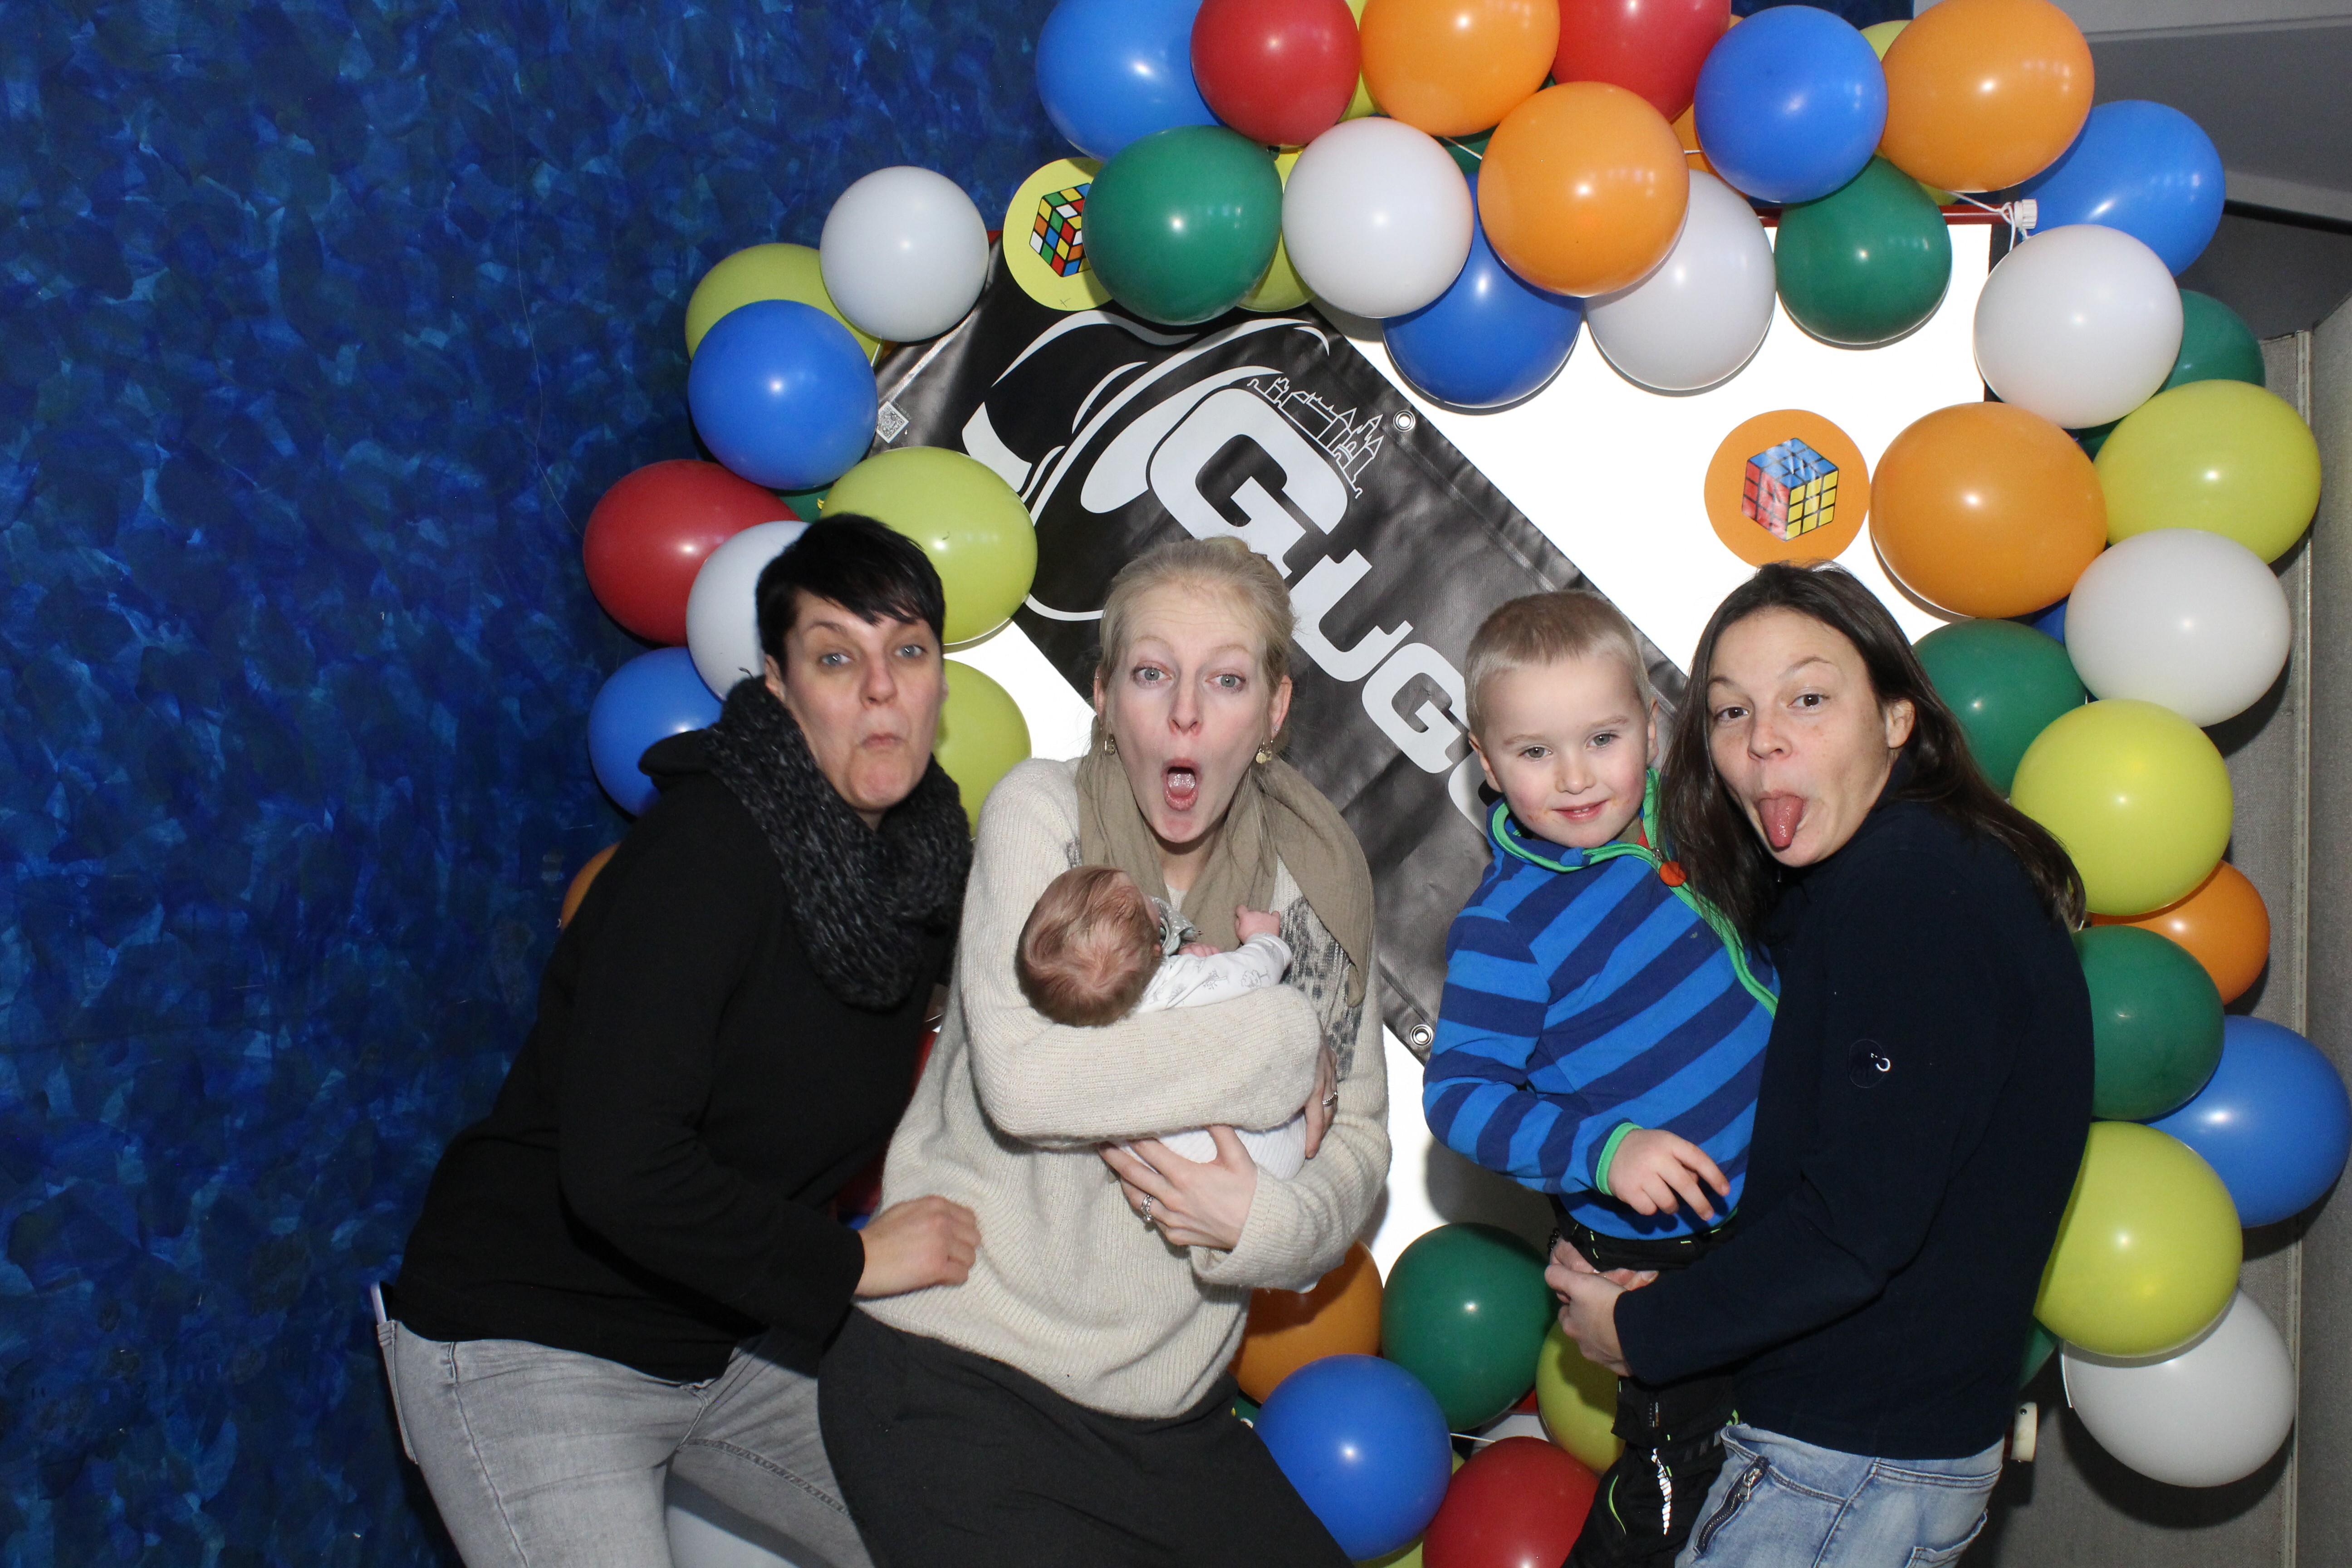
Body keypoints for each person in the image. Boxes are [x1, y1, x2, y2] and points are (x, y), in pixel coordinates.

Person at [379, 518, 981, 1568]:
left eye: (908, 649)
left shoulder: (921, 871)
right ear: (779, 687)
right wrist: (850, 1260)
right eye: (836, 657)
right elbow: (622, 1167)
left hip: (722, 1333)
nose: (882, 689)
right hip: (532, 1338)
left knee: (992, 1529)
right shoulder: (707, 850)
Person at [818, 535, 1390, 1568]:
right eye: (1151, 673)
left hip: (1171, 1416)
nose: (1185, 715)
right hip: (958, 1378)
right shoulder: (1043, 814)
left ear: (1274, 709)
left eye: (1225, 680)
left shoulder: (1316, 877)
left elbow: (1354, 1145)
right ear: (1103, 695)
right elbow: (1026, 1079)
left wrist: (1262, 1222)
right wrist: (1274, 1036)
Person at [1552, 562, 2093, 1568]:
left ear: (1896, 719)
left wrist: (1644, 1329)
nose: (1762, 739)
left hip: (1845, 1472)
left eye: (1807, 699)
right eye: (1730, 711)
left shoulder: (1912, 886)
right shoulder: (1861, 882)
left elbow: (1856, 1226)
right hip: (1855, 1462)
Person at [1422, 590, 1777, 1568]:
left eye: (1602, 739)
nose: (1575, 777)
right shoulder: (1506, 926)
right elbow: (1458, 1098)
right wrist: (1604, 1151)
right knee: (1678, 1473)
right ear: (1485, 763)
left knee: (1794, 1444)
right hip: (1658, 1252)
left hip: (1782, 1199)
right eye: (1534, 752)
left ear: (1652, 728)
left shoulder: (1697, 815)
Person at [1017, 863, 1307, 1177]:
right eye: (1142, 897)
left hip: (1165, 1169)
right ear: (1156, 952)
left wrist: (1190, 964)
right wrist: (1263, 939)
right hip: (1264, 1149)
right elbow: (1254, 974)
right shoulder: (1170, 981)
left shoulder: (1080, 1020)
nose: (1150, 896)